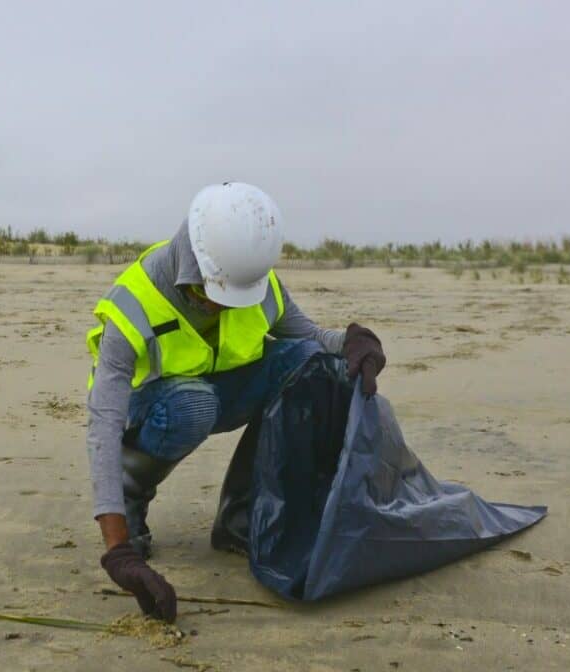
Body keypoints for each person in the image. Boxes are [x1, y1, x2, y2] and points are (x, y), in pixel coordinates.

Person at [86, 182, 387, 622]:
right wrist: (118, 551)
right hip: (156, 410)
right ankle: (133, 504)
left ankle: (243, 517)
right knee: (193, 406)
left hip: (217, 390)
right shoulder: (135, 302)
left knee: (308, 362)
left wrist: (355, 341)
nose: (222, 306)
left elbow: (310, 338)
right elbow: (103, 423)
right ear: (193, 265)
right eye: (213, 292)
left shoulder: (255, 279)